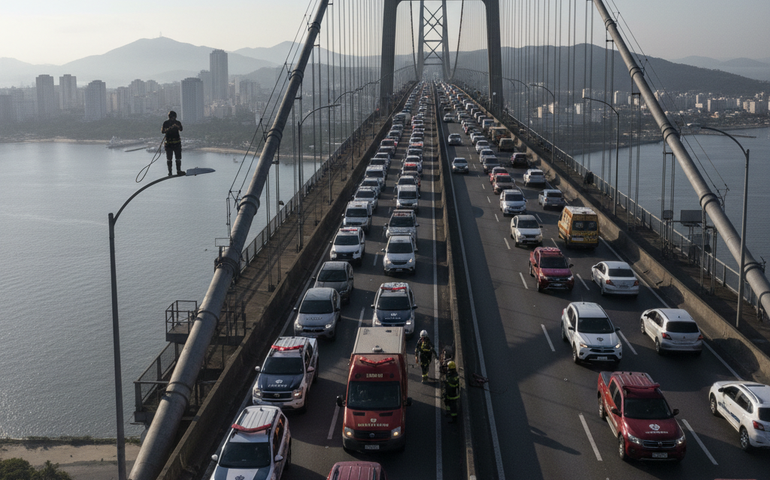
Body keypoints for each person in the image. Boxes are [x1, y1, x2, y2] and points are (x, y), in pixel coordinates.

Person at [161, 111, 184, 176]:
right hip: (169, 144)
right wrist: (169, 129)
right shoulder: (166, 123)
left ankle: (178, 170)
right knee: (169, 158)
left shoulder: (177, 123)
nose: (173, 118)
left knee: (178, 158)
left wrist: (176, 126)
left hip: (176, 143)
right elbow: (163, 131)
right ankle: (170, 172)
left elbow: (181, 129)